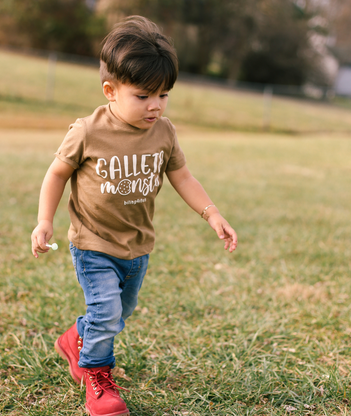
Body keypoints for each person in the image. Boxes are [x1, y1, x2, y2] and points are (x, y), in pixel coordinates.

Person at [31, 15, 238, 416]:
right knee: (107, 312)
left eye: (164, 95)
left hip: (137, 247)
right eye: (143, 96)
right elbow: (57, 173)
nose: (155, 105)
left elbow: (183, 176)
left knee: (119, 312)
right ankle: (95, 374)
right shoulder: (88, 131)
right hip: (93, 244)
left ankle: (75, 337)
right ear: (111, 90)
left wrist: (212, 214)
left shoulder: (164, 133)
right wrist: (44, 220)